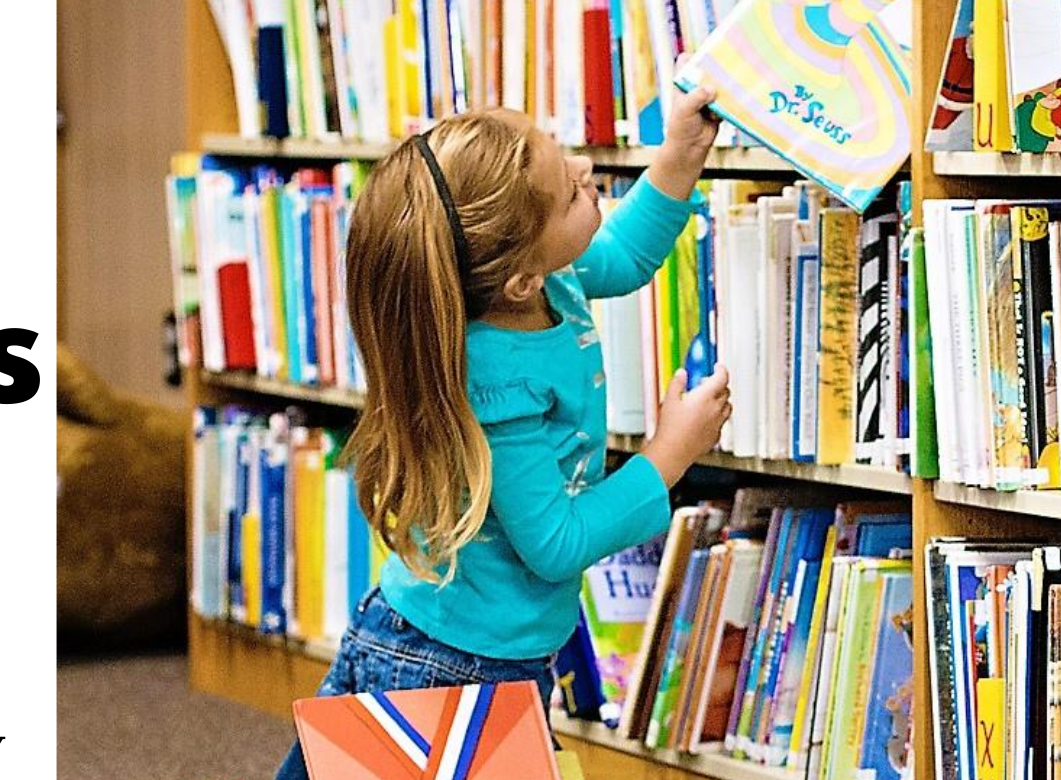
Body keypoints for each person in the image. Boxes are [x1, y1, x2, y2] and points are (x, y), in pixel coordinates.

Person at [274, 91, 732, 779]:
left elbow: (625, 255)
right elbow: (556, 544)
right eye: (572, 192)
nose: (586, 169)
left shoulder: (548, 278)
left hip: (468, 645)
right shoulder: (496, 382)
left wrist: (679, 156)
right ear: (519, 278)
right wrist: (669, 455)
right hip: (451, 663)